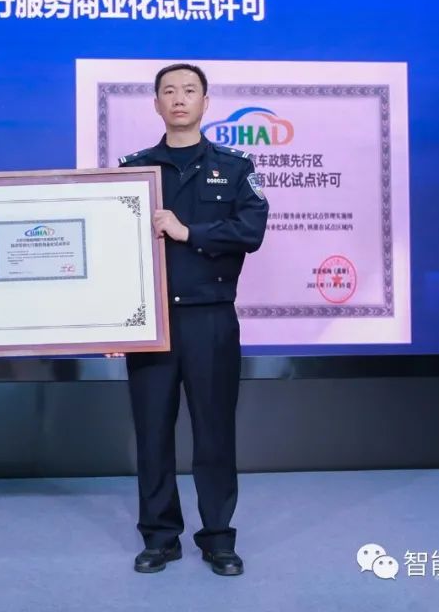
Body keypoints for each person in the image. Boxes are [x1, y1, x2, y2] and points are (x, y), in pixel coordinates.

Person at [118, 63, 269, 576]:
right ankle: (160, 537)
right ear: (156, 104)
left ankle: (218, 538)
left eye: (189, 90)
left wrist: (189, 232)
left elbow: (250, 231)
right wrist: (112, 320)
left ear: (206, 102)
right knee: (152, 433)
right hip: (151, 324)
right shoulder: (134, 171)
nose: (179, 98)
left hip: (211, 320)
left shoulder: (236, 167)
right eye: (169, 91)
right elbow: (115, 251)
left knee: (214, 431)